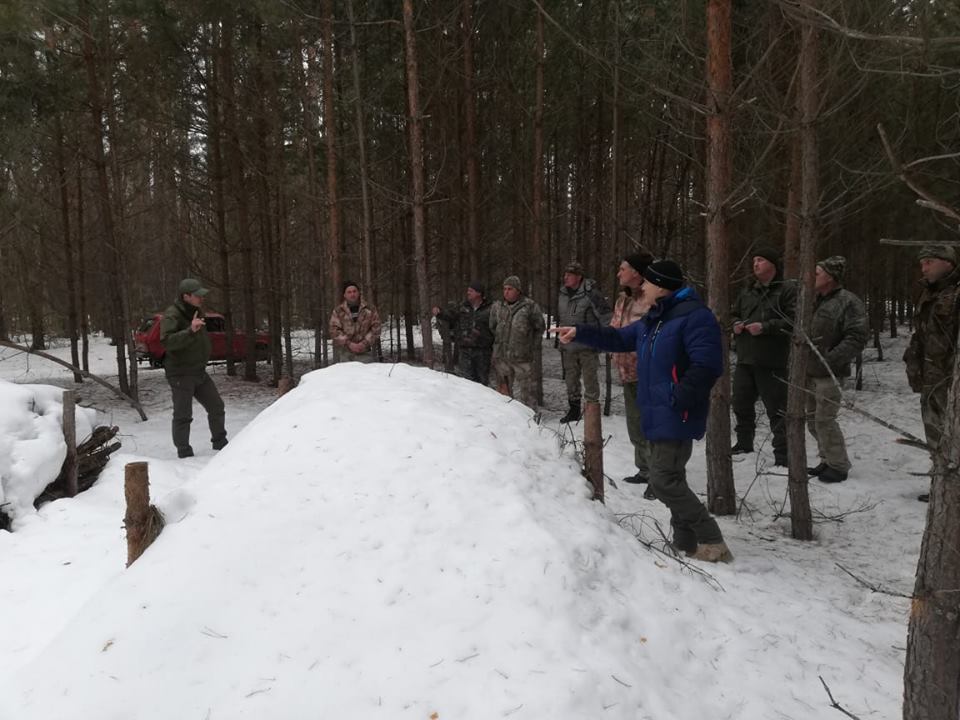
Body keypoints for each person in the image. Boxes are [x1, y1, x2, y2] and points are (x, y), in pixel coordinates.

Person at [556, 259, 733, 563]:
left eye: (648, 283)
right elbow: (619, 338)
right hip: (659, 409)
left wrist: (677, 398)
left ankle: (711, 539)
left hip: (676, 411)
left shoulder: (694, 317)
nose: (644, 288)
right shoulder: (657, 318)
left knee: (663, 480)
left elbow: (708, 365)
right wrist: (579, 332)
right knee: (672, 476)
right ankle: (686, 541)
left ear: (661, 286)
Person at [730, 246, 798, 466]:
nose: (755, 264)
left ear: (773, 264)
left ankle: (783, 454)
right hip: (745, 358)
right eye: (754, 260)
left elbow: (794, 320)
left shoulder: (787, 290)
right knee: (740, 403)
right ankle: (744, 442)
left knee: (777, 410)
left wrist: (766, 327)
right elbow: (733, 314)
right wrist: (735, 325)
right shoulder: (748, 290)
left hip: (772, 360)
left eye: (760, 260)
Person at [904, 245, 960, 503]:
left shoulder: (956, 293)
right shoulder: (929, 294)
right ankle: (942, 484)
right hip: (930, 378)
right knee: (935, 434)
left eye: (928, 262)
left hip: (951, 379)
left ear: (947, 262)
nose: (923, 268)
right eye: (921, 263)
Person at [804, 256, 868, 484]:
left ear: (830, 277)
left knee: (825, 419)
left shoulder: (849, 302)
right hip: (808, 372)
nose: (813, 277)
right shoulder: (815, 300)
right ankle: (827, 460)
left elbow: (857, 337)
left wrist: (831, 359)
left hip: (830, 373)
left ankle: (839, 465)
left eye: (818, 272)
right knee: (812, 420)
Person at [159, 278, 227, 459]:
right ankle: (184, 453)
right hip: (181, 372)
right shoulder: (172, 315)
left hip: (198, 371)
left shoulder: (197, 311)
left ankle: (221, 443)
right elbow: (168, 342)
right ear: (186, 296)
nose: (201, 298)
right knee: (183, 414)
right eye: (197, 295)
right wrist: (190, 330)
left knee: (216, 406)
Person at [610, 251, 655, 492]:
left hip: (648, 372)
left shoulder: (651, 299)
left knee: (651, 425)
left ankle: (659, 477)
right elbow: (616, 328)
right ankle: (645, 469)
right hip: (627, 372)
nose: (619, 273)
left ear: (636, 272)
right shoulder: (622, 300)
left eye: (622, 268)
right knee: (635, 425)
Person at [556, 261, 612, 423]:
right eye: (565, 274)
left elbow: (606, 318)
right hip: (568, 346)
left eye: (570, 275)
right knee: (571, 381)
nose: (565, 277)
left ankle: (592, 412)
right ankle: (573, 410)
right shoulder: (562, 294)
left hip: (588, 346)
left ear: (579, 277)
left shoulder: (592, 294)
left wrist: (607, 340)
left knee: (590, 381)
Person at [490, 275, 545, 410]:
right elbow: (492, 327)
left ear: (518, 290)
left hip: (523, 358)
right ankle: (508, 419)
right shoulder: (498, 307)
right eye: (504, 289)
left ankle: (530, 420)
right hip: (502, 357)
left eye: (510, 289)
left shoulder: (530, 307)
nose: (506, 292)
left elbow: (539, 328)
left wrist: (531, 347)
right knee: (504, 393)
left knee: (527, 393)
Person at [432, 282, 494, 385]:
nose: (468, 293)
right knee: (466, 382)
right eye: (468, 290)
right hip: (465, 351)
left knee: (482, 383)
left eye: (471, 291)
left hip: (483, 352)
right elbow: (450, 315)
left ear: (479, 293)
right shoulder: (463, 307)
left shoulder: (490, 309)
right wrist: (440, 312)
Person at [330, 281, 381, 363]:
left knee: (366, 375)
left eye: (354, 291)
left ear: (358, 293)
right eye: (349, 292)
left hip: (365, 353)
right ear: (344, 295)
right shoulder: (338, 311)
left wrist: (364, 343)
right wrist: (349, 344)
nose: (352, 294)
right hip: (345, 354)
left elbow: (376, 328)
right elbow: (334, 330)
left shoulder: (370, 309)